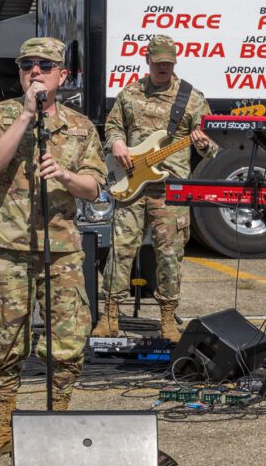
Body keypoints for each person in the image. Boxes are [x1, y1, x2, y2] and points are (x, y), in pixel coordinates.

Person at [0, 37, 106, 460]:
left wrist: (64, 175)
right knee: (6, 340)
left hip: (61, 250)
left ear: (62, 75)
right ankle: (2, 423)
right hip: (7, 248)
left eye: (45, 65)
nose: (35, 71)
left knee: (68, 339)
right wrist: (27, 115)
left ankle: (58, 418)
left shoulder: (81, 127)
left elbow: (95, 187)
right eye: (28, 64)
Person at [91, 34, 216, 341]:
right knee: (120, 251)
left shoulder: (192, 98)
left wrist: (203, 143)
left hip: (170, 190)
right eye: (158, 62)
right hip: (131, 184)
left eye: (168, 63)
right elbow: (113, 125)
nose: (163, 68)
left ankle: (168, 318)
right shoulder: (130, 93)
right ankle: (110, 316)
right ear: (147, 60)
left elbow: (212, 146)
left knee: (170, 256)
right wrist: (117, 141)